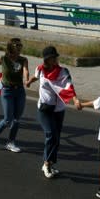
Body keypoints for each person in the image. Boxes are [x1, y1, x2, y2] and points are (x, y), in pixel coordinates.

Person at [25, 46, 80, 178]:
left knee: (56, 138)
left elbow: (69, 86)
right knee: (50, 135)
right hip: (45, 108)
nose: (56, 59)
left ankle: (50, 162)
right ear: (47, 60)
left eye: (56, 57)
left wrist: (76, 100)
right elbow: (35, 76)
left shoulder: (63, 72)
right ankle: (46, 164)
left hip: (59, 110)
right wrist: (28, 82)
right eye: (53, 57)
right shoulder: (41, 70)